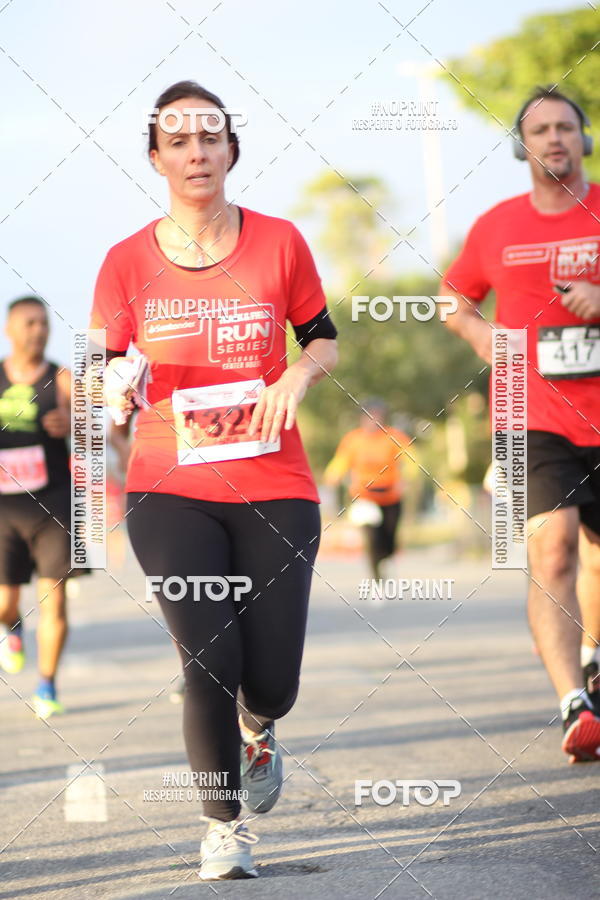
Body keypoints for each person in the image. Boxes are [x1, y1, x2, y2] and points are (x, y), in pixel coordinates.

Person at [89, 80, 338, 880]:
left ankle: (259, 728)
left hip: (276, 484)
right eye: (178, 140)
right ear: (155, 158)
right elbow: (99, 366)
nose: (196, 152)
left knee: (272, 681)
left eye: (209, 137)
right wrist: (111, 388)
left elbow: (323, 337)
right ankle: (222, 829)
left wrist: (297, 375)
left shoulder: (280, 243)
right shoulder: (125, 262)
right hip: (169, 487)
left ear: (231, 149)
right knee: (208, 658)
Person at [440, 86, 600, 763]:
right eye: (540, 130)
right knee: (553, 548)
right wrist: (481, 335)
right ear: (521, 146)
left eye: (565, 127)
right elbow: (451, 300)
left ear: (583, 139)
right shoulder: (496, 226)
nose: (554, 138)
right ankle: (574, 703)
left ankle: (592, 653)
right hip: (531, 411)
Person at [0, 296, 75, 719]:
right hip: (4, 509)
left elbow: (94, 432)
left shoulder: (62, 380)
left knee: (55, 599)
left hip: (53, 505)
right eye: (29, 323)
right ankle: (11, 625)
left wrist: (72, 424)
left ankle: (47, 684)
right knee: (4, 602)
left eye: (44, 323)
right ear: (9, 329)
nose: (39, 330)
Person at [324, 399, 411, 582]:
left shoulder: (394, 437)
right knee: (372, 538)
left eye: (377, 415)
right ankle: (376, 578)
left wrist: (406, 480)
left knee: (389, 539)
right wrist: (332, 476)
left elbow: (411, 461)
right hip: (365, 496)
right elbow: (340, 462)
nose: (373, 420)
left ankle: (386, 560)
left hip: (391, 496)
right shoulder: (353, 440)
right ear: (362, 418)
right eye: (369, 416)